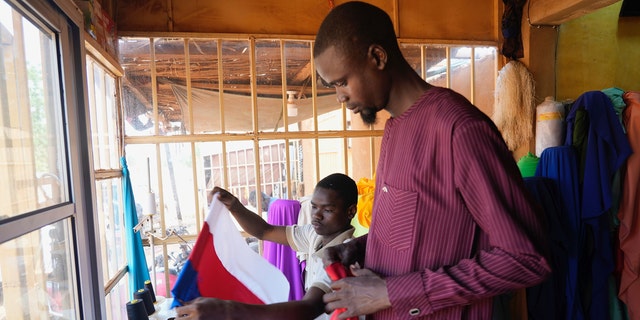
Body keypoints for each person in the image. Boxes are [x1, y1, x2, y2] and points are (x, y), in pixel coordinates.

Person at [314, 2, 552, 319]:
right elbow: (415, 231)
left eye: (342, 82)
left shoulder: (459, 130)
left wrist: (389, 293)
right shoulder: (394, 129)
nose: (340, 97)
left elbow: (525, 259)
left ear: (377, 57)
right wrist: (357, 248)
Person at [175, 173, 359, 320]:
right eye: (313, 207)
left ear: (350, 211)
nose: (316, 216)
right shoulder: (315, 234)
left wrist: (227, 310)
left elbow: (308, 308)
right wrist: (234, 206)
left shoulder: (343, 254)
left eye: (327, 210)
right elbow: (265, 231)